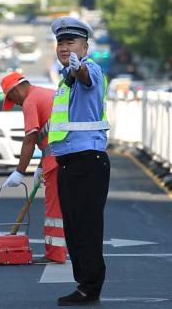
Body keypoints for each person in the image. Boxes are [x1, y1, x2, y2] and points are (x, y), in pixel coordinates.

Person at [48, 16, 110, 306]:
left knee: (87, 228)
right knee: (73, 229)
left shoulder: (89, 70)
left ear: (85, 47)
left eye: (70, 42)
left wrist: (80, 68)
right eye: (60, 42)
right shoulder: (65, 81)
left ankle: (90, 287)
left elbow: (88, 77)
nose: (64, 47)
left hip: (88, 162)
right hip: (69, 163)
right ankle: (83, 283)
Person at [0, 72, 67, 265]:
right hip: (64, 156)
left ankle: (55, 253)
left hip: (57, 160)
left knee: (54, 210)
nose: (15, 103)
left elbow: (30, 139)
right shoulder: (46, 93)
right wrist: (39, 167)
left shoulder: (30, 102)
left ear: (17, 89)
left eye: (12, 98)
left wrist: (19, 172)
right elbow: (50, 136)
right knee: (67, 206)